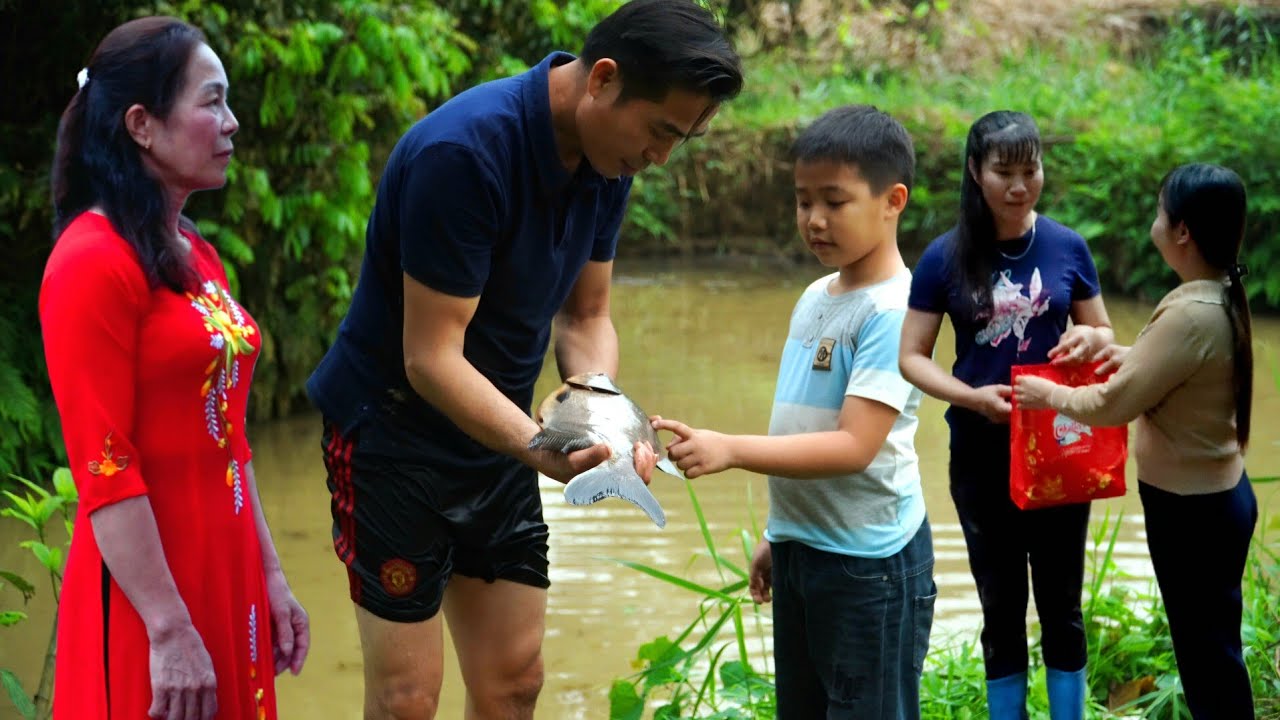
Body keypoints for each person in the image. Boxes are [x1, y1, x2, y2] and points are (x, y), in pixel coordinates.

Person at [304, 1, 743, 717]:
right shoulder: (467, 154)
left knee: (514, 681)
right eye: (662, 130)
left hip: (497, 431)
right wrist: (542, 449)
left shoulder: (609, 157)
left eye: (682, 140)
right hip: (391, 436)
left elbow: (587, 315)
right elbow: (429, 357)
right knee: (408, 698)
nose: (661, 157)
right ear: (603, 79)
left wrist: (598, 411)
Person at [39, 17, 309, 720]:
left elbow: (231, 435)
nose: (232, 123)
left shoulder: (195, 255)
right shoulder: (90, 262)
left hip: (224, 566)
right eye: (211, 101)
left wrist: (271, 577)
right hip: (150, 590)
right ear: (142, 125)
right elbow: (105, 464)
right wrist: (166, 627)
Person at [652, 104, 935, 718]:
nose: (814, 219)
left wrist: (729, 449)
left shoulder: (893, 311)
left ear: (893, 201)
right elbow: (801, 425)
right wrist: (778, 535)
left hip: (869, 568)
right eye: (803, 200)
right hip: (805, 551)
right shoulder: (815, 296)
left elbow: (852, 446)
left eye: (835, 202)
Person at [1014, 163, 1257, 718]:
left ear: (1183, 233)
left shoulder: (1190, 313)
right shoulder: (1216, 294)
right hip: (1216, 498)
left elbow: (1110, 407)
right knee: (1212, 650)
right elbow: (1175, 375)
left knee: (1207, 657)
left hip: (1193, 512)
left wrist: (1045, 395)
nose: (1155, 221)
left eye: (1159, 211)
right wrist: (1122, 358)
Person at [898, 110, 1113, 719]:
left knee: (1062, 602)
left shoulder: (1068, 246)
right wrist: (970, 397)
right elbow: (912, 358)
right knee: (1000, 602)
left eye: (1030, 170)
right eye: (1004, 172)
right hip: (981, 449)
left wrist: (1089, 343)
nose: (1020, 186)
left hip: (1059, 444)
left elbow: (1102, 332)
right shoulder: (945, 257)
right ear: (976, 171)